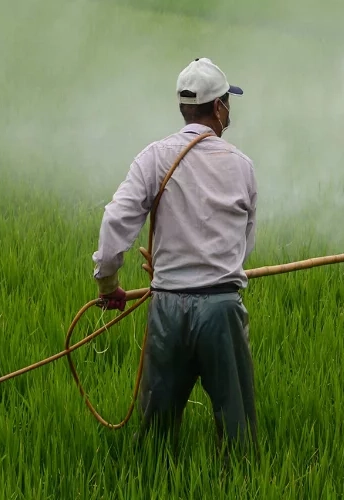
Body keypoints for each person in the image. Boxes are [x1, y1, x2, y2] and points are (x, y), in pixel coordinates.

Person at [90, 57, 258, 462]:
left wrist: (108, 284)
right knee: (237, 431)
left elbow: (116, 218)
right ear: (218, 107)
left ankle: (153, 479)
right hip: (221, 308)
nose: (229, 110)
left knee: (156, 435)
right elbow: (243, 246)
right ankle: (239, 483)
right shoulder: (241, 165)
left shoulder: (153, 157)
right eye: (227, 103)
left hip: (167, 307)